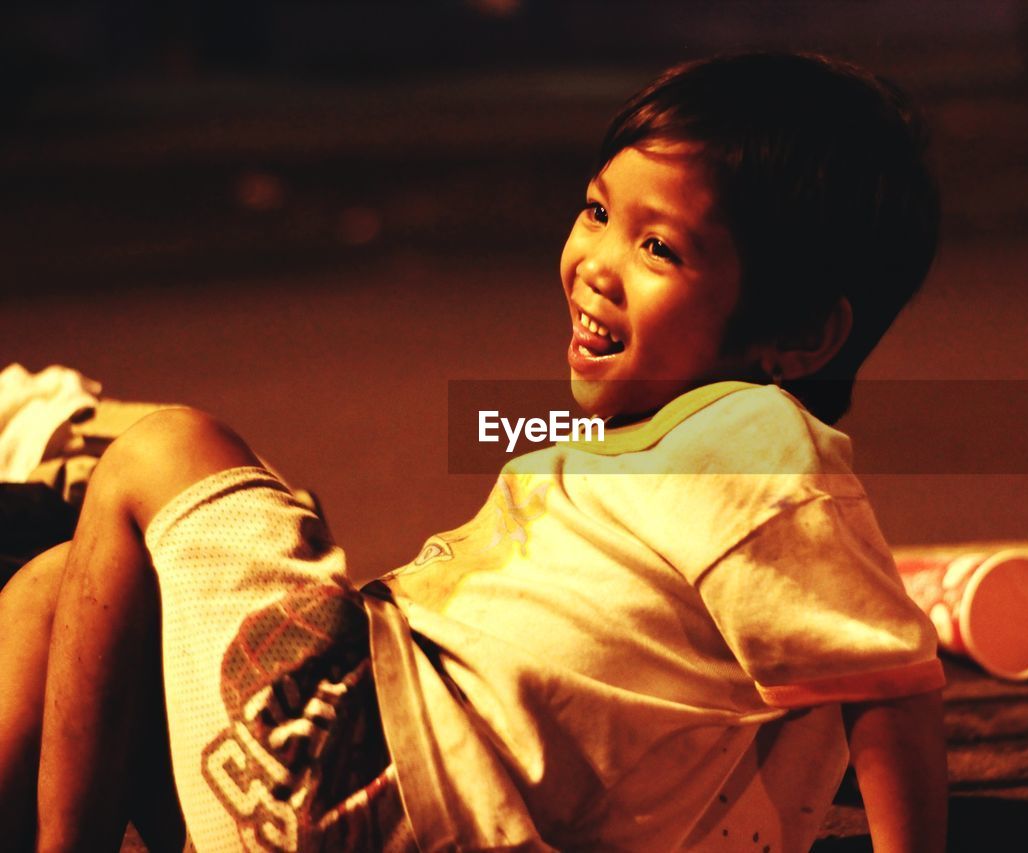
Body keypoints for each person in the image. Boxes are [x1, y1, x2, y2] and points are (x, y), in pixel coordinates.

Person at [0, 52, 947, 852]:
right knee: (60, 588)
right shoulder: (652, 452)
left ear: (803, 336)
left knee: (167, 445)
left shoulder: (757, 436)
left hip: (380, 773)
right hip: (346, 790)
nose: (596, 262)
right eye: (596, 210)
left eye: (660, 247)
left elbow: (887, 688)